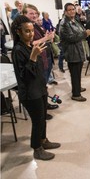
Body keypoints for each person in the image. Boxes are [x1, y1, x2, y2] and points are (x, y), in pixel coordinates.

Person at [11, 15, 60, 160]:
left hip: (39, 89)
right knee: (37, 120)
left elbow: (38, 71)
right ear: (18, 32)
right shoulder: (18, 50)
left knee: (42, 117)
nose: (31, 34)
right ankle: (36, 148)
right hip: (30, 94)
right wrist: (32, 57)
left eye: (32, 31)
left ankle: (43, 141)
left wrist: (44, 85)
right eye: (27, 31)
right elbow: (24, 76)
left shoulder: (31, 46)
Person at [59, 3, 90, 102]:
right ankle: (76, 94)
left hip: (78, 50)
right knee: (74, 73)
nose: (72, 11)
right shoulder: (64, 23)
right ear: (65, 11)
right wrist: (85, 34)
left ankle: (77, 88)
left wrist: (84, 32)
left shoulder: (74, 20)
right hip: (72, 52)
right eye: (69, 10)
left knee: (78, 72)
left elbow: (80, 31)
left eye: (73, 9)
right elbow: (71, 38)